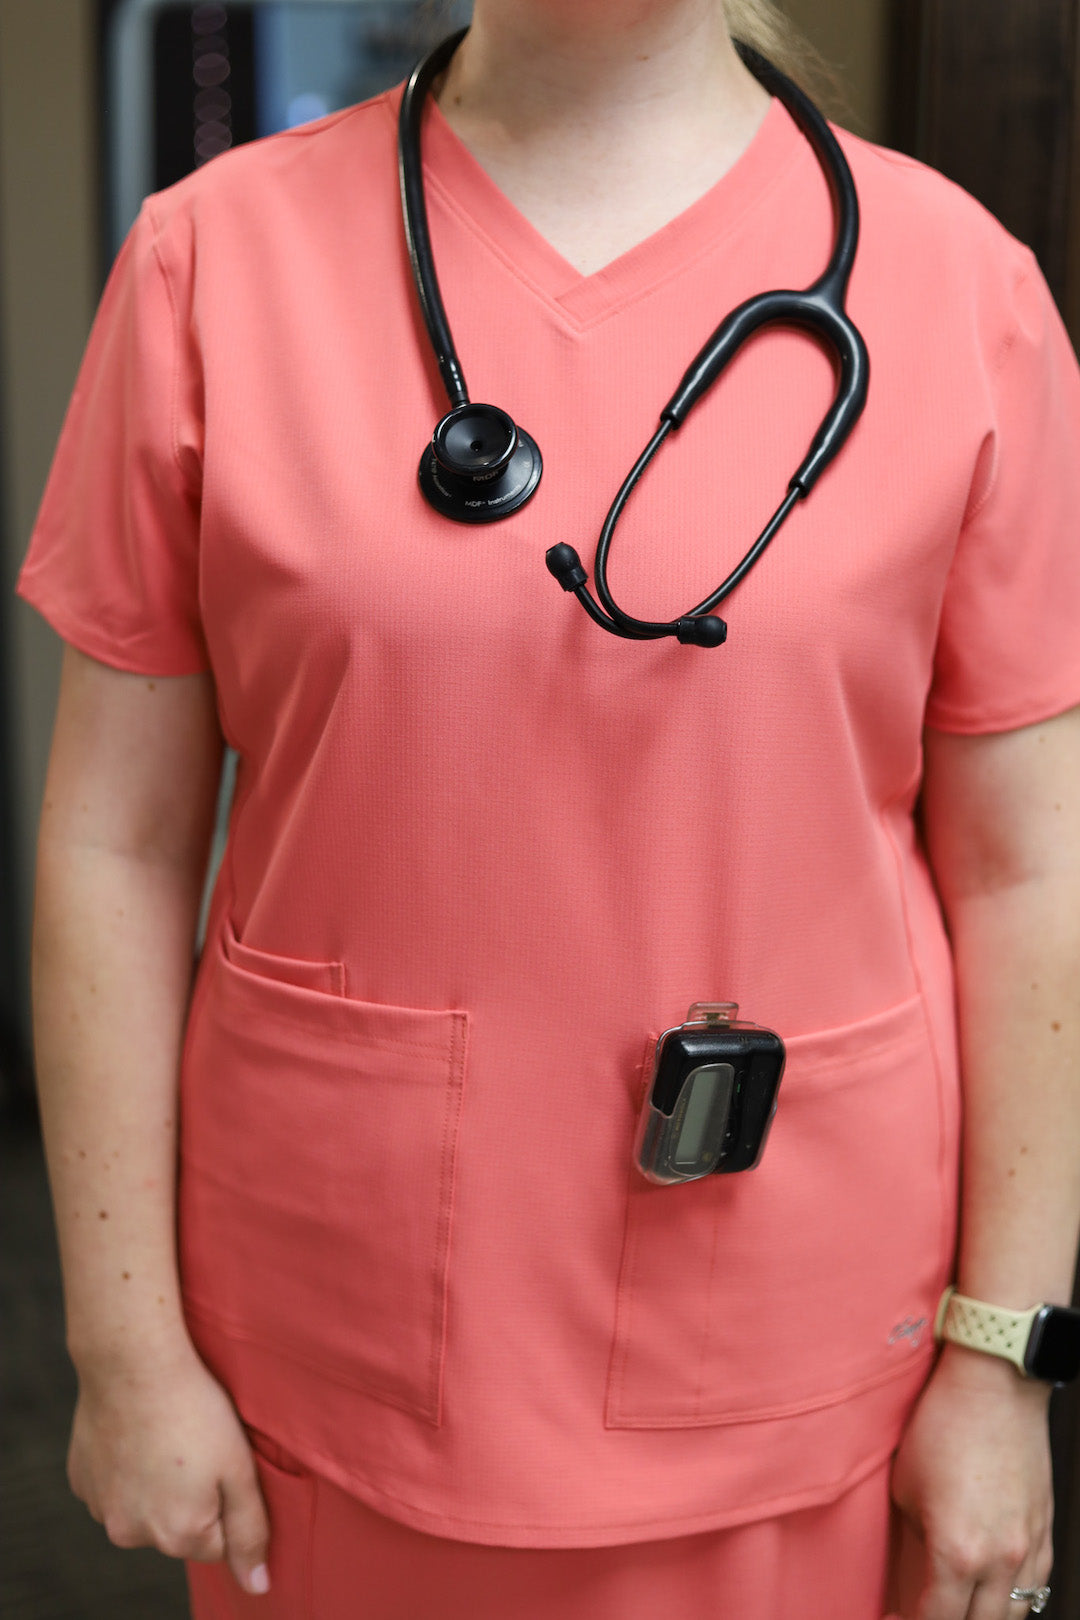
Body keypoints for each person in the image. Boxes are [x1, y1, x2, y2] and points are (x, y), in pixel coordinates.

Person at [16, 1, 1080, 1616]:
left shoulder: (965, 291)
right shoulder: (208, 263)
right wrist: (123, 1340)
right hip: (333, 1343)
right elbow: (116, 843)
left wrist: (1003, 1359)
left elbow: (1025, 874)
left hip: (801, 1343)